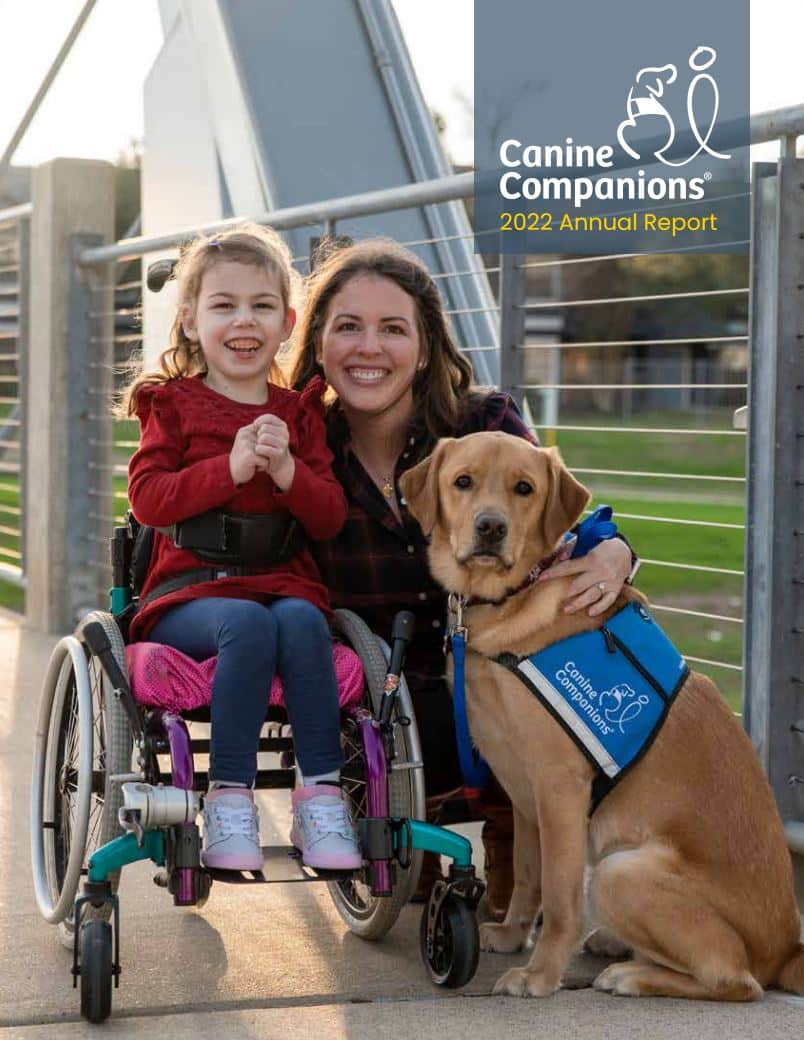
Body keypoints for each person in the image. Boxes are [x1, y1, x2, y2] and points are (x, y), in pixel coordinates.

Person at [290, 238, 636, 917]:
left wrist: (615, 550)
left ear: (425, 346)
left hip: (496, 682)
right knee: (410, 887)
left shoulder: (484, 422)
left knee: (529, 672)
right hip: (377, 700)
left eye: (394, 328)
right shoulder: (300, 444)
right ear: (321, 343)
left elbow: (562, 515)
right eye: (348, 327)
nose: (370, 347)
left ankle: (520, 844)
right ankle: (415, 834)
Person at [121, 224, 362, 873]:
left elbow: (331, 517)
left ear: (285, 323)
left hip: (284, 587)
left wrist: (287, 473)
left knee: (301, 620)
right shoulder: (172, 406)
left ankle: (322, 797)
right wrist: (227, 469)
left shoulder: (299, 414)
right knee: (249, 622)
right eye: (223, 305)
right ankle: (229, 798)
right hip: (190, 595)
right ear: (192, 320)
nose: (243, 321)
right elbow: (149, 499)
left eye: (260, 306)